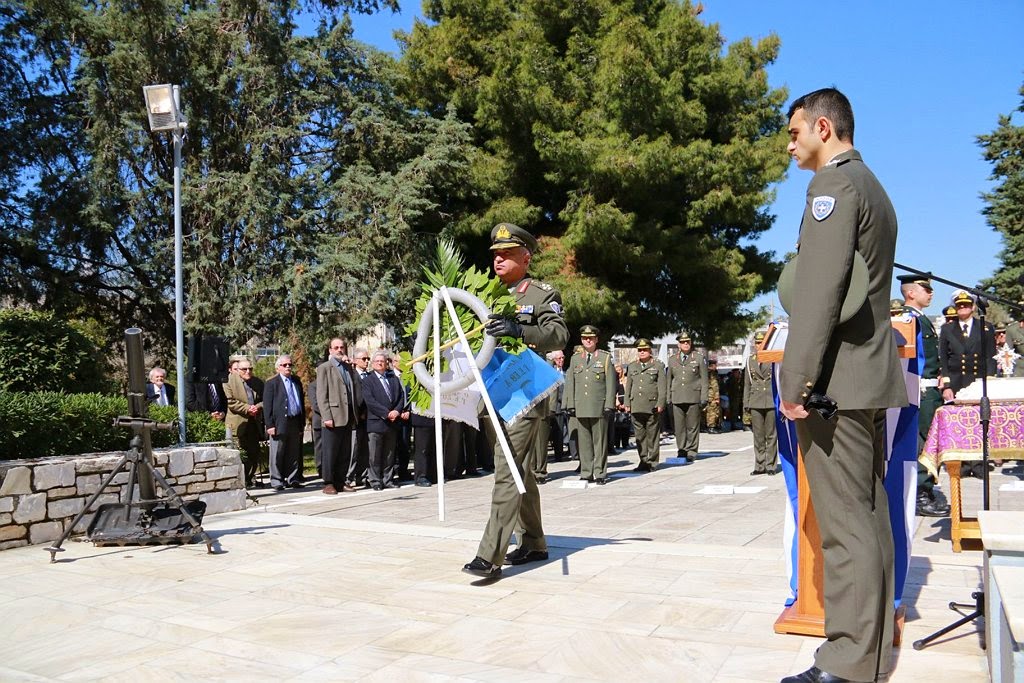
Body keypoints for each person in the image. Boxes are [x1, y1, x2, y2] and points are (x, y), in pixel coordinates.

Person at [778, 88, 906, 683]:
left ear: (823, 127)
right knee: (870, 517)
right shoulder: (874, 188)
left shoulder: (832, 187)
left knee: (844, 527)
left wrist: (794, 378)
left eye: (794, 132)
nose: (790, 144)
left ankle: (847, 664)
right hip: (868, 377)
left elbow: (820, 293)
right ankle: (873, 651)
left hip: (835, 382)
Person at [462, 223, 568, 579]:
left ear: (526, 257)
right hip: (493, 396)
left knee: (507, 472)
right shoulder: (486, 296)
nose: (498, 259)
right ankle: (534, 542)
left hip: (524, 394)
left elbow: (558, 334)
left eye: (507, 254)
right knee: (519, 472)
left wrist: (519, 329)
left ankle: (488, 556)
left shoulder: (539, 294)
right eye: (495, 254)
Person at [897, 274, 949, 517]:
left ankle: (925, 489)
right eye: (925, 289)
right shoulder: (907, 319)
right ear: (910, 293)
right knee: (924, 444)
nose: (930, 293)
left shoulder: (920, 319)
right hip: (921, 390)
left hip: (929, 388)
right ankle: (920, 493)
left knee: (929, 442)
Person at [938, 290, 997, 479]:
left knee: (981, 423)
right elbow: (944, 359)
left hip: (978, 381)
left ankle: (979, 463)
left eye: (966, 305)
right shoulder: (948, 329)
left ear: (972, 307)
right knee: (959, 424)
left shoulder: (985, 327)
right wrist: (947, 385)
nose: (962, 308)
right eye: (959, 306)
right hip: (956, 381)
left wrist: (990, 380)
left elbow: (990, 356)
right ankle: (961, 465)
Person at [562, 325, 616, 484]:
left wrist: (609, 405)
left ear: (596, 340)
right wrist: (570, 404)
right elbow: (570, 382)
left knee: (599, 443)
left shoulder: (604, 358)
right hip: (581, 405)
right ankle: (586, 471)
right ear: (581, 340)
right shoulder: (575, 359)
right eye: (585, 338)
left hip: (598, 406)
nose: (588, 340)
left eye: (591, 338)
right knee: (584, 442)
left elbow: (610, 383)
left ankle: (600, 472)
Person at [316, 338, 361, 495]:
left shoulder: (348, 368)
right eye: (336, 347)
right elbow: (321, 395)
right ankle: (328, 482)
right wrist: (326, 416)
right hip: (333, 416)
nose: (339, 350)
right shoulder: (324, 368)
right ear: (330, 350)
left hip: (348, 415)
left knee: (344, 451)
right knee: (330, 451)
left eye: (342, 347)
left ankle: (340, 481)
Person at [361, 350, 407, 491]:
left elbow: (400, 397)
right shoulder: (367, 381)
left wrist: (397, 411)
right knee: (374, 454)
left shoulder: (393, 378)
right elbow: (370, 401)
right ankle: (375, 480)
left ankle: (388, 479)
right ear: (373, 364)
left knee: (389, 454)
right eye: (377, 361)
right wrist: (386, 413)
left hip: (392, 423)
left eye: (383, 361)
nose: (380, 363)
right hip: (376, 422)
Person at [263, 354, 307, 491]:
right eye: (284, 365)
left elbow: (300, 402)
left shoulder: (296, 381)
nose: (288, 367)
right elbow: (267, 406)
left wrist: (301, 423)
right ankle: (276, 480)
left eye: (290, 365)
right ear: (278, 368)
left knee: (293, 452)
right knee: (277, 452)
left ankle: (292, 478)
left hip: (294, 421)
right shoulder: (272, 383)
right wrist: (269, 425)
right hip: (279, 422)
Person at [624, 338, 666, 472]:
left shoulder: (658, 365)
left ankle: (653, 461)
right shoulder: (632, 366)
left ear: (649, 350)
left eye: (644, 350)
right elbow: (629, 386)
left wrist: (661, 403)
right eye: (640, 350)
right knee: (639, 436)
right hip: (636, 405)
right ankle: (643, 460)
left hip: (651, 405)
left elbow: (662, 387)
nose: (642, 352)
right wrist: (627, 403)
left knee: (652, 434)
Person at [667, 332, 708, 462]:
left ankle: (691, 450)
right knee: (679, 426)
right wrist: (668, 397)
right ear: (678, 344)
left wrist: (704, 397)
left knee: (692, 426)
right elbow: (669, 379)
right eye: (683, 342)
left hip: (693, 395)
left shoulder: (698, 358)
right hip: (677, 396)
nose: (685, 344)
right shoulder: (673, 359)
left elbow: (704, 379)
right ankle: (682, 449)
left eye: (687, 342)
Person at [224, 358, 264, 486]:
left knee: (254, 453)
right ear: (237, 370)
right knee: (240, 453)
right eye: (244, 369)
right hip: (238, 424)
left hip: (254, 423)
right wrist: (248, 408)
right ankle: (239, 480)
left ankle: (249, 478)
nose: (248, 371)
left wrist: (256, 407)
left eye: (250, 369)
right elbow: (231, 402)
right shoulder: (228, 381)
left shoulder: (257, 382)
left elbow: (265, 399)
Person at [744, 331, 778, 475]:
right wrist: (746, 403)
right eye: (757, 343)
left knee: (771, 435)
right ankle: (759, 465)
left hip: (770, 399)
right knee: (758, 435)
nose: (759, 345)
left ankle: (770, 465)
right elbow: (747, 384)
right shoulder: (750, 360)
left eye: (762, 342)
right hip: (756, 400)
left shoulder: (773, 359)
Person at [703, 359, 722, 433]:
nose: (716, 367)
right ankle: (711, 427)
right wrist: (717, 397)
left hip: (708, 395)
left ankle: (710, 426)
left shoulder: (706, 372)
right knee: (712, 411)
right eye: (715, 365)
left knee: (709, 411)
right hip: (712, 395)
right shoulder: (711, 373)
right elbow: (715, 386)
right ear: (713, 365)